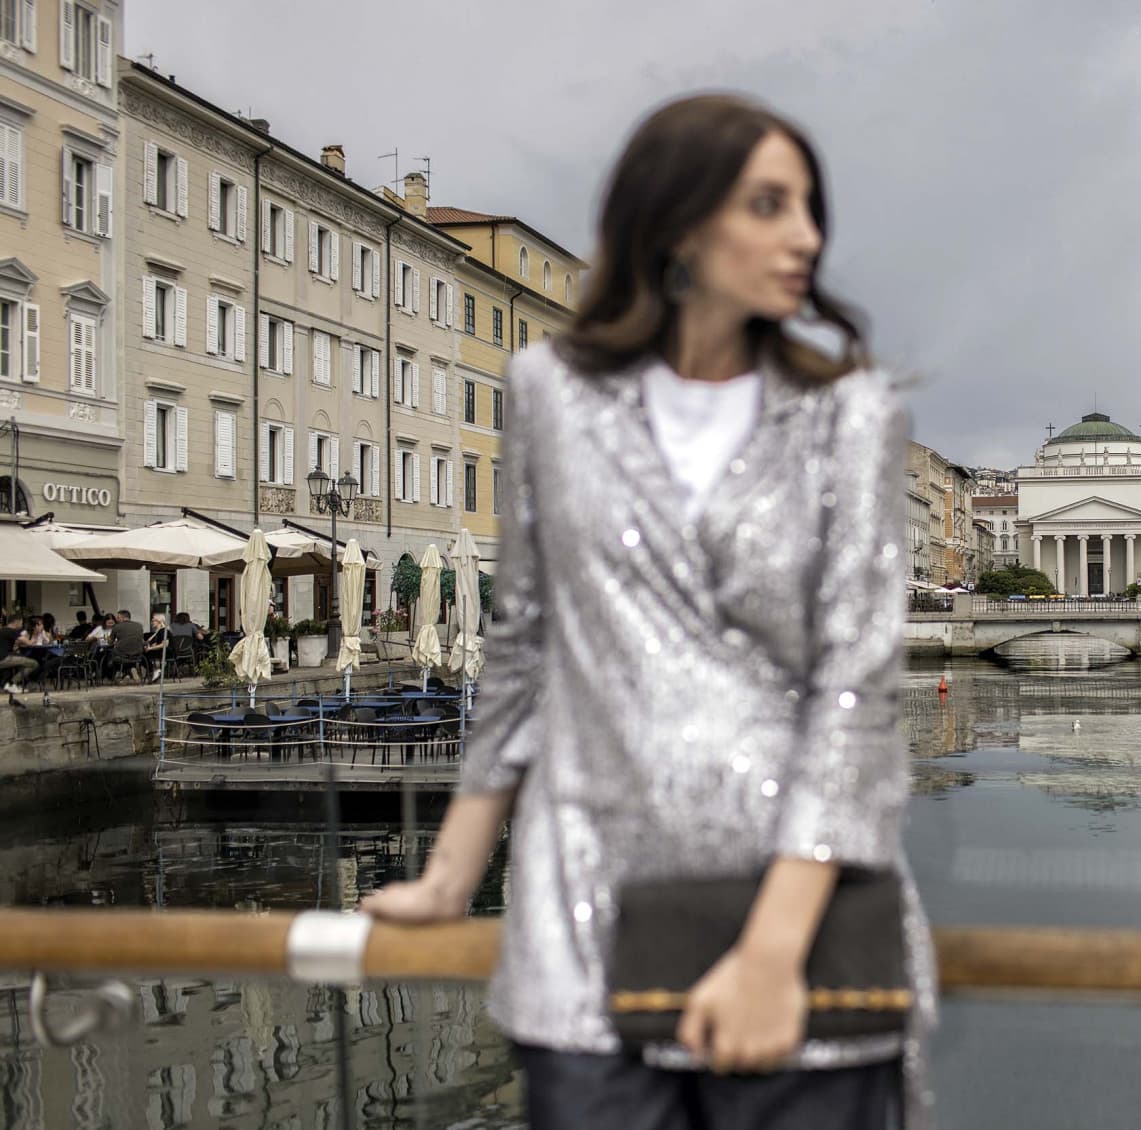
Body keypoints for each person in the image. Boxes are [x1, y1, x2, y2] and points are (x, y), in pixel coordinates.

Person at [362, 94, 931, 1130]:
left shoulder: (850, 412)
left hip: (799, 922)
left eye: (810, 206)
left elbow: (855, 693)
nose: (806, 234)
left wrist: (768, 953)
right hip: (584, 906)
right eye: (769, 203)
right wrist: (449, 872)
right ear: (675, 223)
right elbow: (523, 644)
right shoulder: (549, 393)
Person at [0, 614, 38, 694]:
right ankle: (12, 684)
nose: (22, 625)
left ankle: (9, 684)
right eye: (21, 622)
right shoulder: (12, 631)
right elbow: (29, 643)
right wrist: (35, 635)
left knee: (21, 659)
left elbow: (18, 642)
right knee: (33, 663)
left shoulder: (3, 630)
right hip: (4, 658)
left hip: (4, 657)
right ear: (16, 622)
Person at [105, 610, 146, 681]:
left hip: (122, 654)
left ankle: (119, 676)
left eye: (118, 617)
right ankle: (130, 672)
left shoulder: (117, 627)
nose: (117, 619)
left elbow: (110, 643)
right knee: (127, 658)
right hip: (138, 654)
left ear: (122, 617)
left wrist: (108, 638)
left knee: (111, 658)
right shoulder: (139, 625)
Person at [144, 614, 169, 681]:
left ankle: (156, 670)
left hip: (167, 652)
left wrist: (150, 648)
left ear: (159, 621)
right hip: (160, 651)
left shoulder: (163, 630)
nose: (151, 622)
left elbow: (165, 644)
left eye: (153, 621)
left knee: (145, 655)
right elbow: (149, 640)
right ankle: (155, 671)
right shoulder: (159, 631)